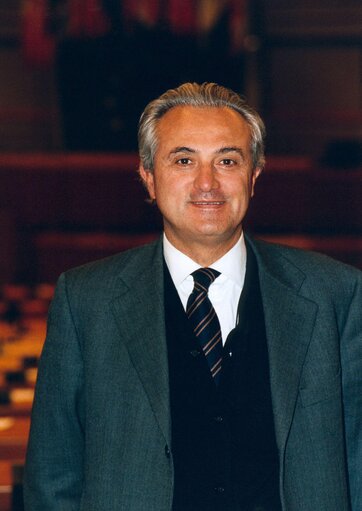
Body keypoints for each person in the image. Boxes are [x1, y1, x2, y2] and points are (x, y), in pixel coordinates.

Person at [24, 83, 361, 511]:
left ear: (254, 175)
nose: (208, 183)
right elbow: (53, 475)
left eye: (227, 160)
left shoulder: (336, 294)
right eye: (184, 160)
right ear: (148, 176)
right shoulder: (85, 300)